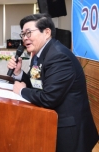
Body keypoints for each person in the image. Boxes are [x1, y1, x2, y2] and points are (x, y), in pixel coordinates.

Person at [7, 13, 98, 152]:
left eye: (29, 33)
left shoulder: (59, 57)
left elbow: (49, 98)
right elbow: (37, 84)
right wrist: (19, 73)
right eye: (23, 34)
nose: (25, 38)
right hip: (52, 123)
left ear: (47, 32)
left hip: (69, 132)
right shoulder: (40, 55)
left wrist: (21, 90)